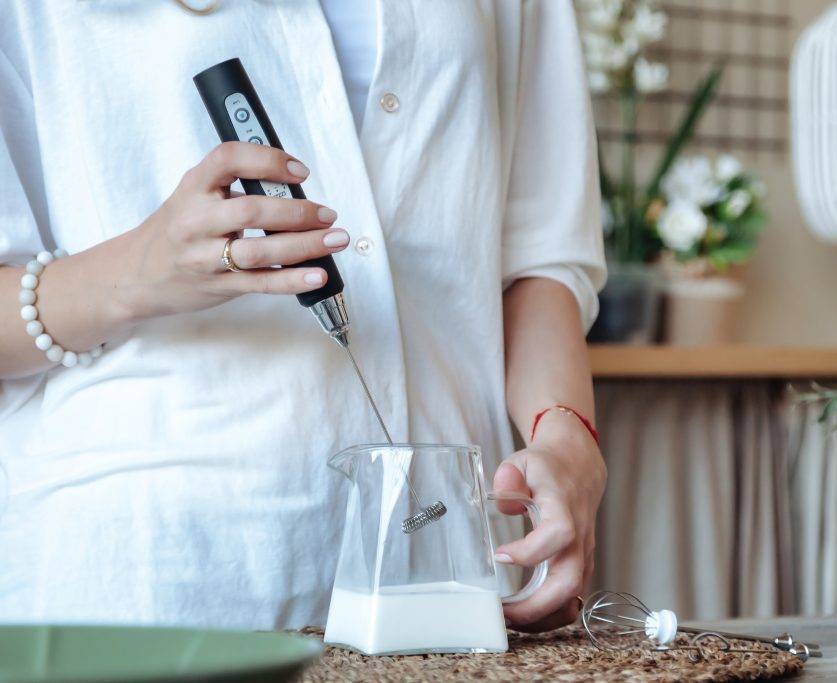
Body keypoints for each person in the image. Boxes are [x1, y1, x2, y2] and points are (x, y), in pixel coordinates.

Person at [0, 0, 606, 632]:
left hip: (449, 558)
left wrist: (563, 434)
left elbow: (537, 257)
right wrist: (140, 269)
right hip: (163, 572)